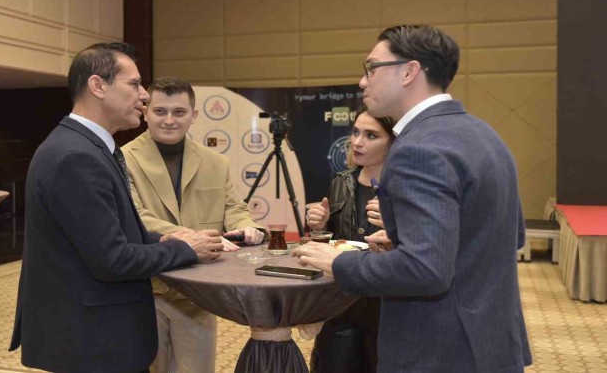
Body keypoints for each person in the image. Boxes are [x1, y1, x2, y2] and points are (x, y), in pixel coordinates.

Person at [295, 25, 532, 372]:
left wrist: (339, 262)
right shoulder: (484, 133)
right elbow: (509, 235)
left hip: (440, 351)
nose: (363, 82)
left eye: (371, 68)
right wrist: (403, 240)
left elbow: (425, 270)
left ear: (409, 71)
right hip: (491, 342)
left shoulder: (417, 148)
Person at [9, 43, 224, 373]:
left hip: (93, 334)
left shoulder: (86, 146)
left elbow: (109, 233)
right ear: (98, 86)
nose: (144, 95)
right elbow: (112, 260)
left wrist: (160, 240)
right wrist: (186, 249)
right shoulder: (76, 157)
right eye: (134, 84)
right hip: (92, 341)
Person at [122, 77, 265, 373]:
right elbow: (134, 216)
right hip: (145, 289)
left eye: (179, 112)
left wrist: (247, 226)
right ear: (146, 112)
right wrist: (191, 238)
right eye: (160, 111)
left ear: (194, 115)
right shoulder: (122, 160)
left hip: (198, 294)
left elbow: (233, 208)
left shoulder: (216, 162)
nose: (169, 120)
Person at [305, 107, 394, 373]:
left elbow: (424, 250)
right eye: (355, 132)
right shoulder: (340, 182)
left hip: (386, 305)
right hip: (340, 302)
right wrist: (319, 226)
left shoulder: (406, 188)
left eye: (371, 135)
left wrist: (397, 227)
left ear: (393, 143)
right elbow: (330, 244)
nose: (357, 142)